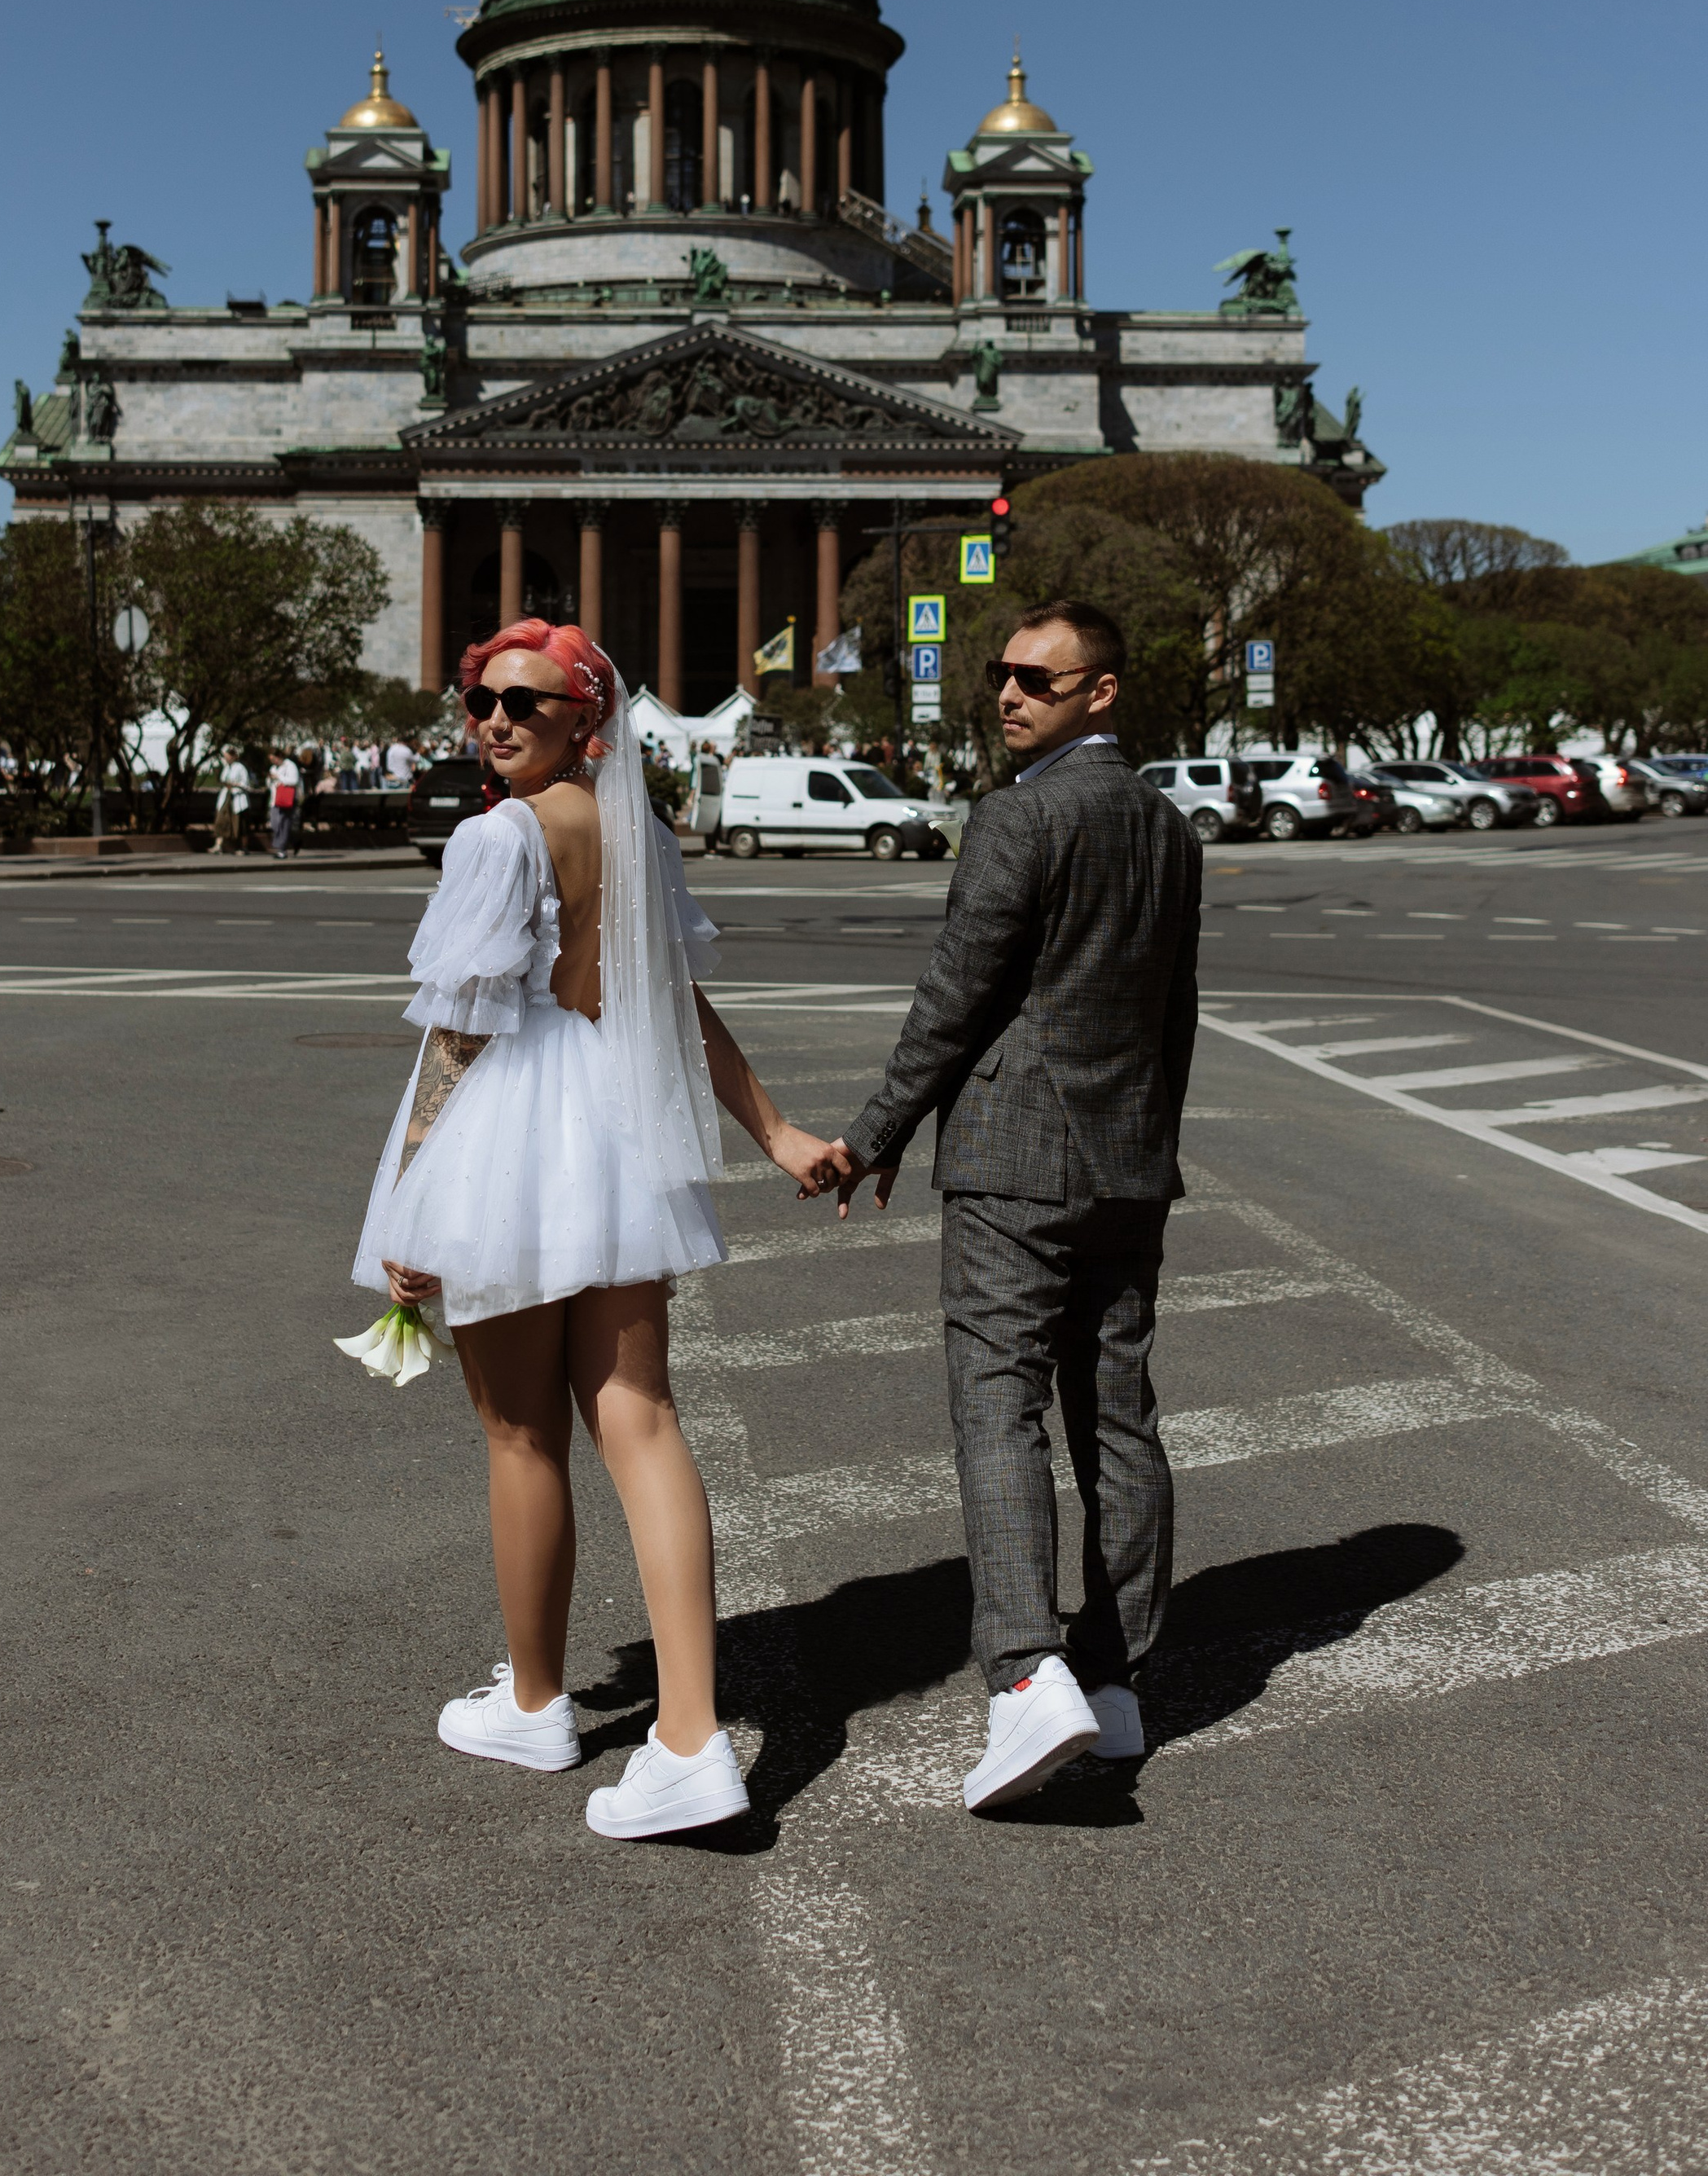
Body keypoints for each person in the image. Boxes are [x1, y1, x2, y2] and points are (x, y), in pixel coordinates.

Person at [351, 616, 851, 1840]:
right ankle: (689, 1735)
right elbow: (675, 1004)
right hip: (617, 1136)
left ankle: (536, 1705)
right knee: (643, 1423)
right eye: (483, 700)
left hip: (505, 1140)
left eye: (527, 701)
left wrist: (411, 1198)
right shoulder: (635, 834)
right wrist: (774, 1132)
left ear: (587, 720)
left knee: (522, 1437)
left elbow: (460, 1037)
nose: (498, 719)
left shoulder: (496, 834)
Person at [832, 597, 1201, 1812]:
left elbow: (958, 994)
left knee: (998, 1413)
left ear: (1102, 692)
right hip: (1127, 1163)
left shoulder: (1018, 816)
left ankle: (1024, 1677)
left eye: (1038, 681)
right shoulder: (1167, 828)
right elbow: (1173, 1019)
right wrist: (1151, 1138)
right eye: (1001, 676)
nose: (1007, 696)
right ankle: (1118, 1689)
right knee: (1119, 1425)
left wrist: (875, 1131)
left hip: (1011, 1156)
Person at [213, 753, 251, 853]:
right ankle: (218, 845)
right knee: (221, 820)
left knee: (240, 824)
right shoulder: (226, 768)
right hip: (227, 797)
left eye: (228, 756)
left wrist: (235, 785)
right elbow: (222, 779)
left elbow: (246, 784)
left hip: (238, 798)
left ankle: (244, 847)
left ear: (234, 757)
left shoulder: (240, 768)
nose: (226, 759)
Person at [268, 752, 301, 858]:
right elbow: (269, 783)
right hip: (275, 799)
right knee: (275, 824)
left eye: (274, 759)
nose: (273, 762)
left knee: (283, 823)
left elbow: (294, 781)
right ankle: (294, 842)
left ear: (280, 756)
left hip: (286, 799)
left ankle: (282, 850)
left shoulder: (290, 766)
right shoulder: (273, 768)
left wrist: (279, 777)